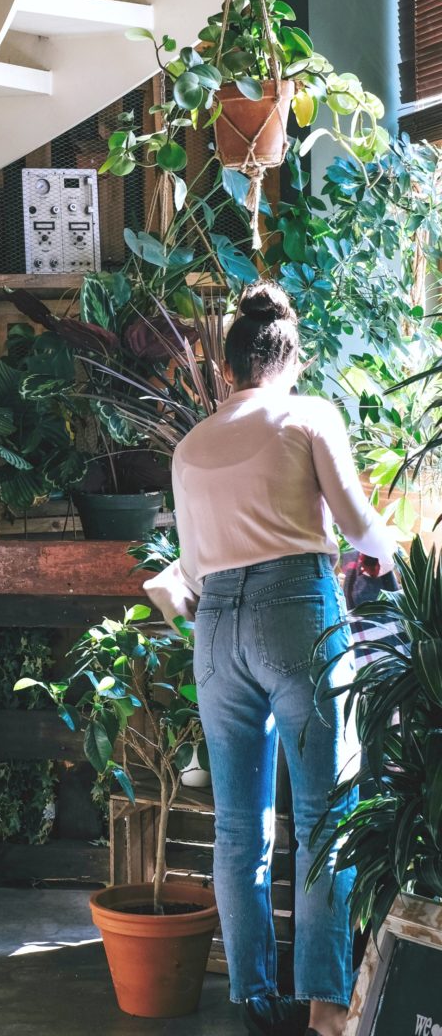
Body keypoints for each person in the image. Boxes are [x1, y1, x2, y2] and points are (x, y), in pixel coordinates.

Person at [171, 281, 396, 1036]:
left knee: (238, 827)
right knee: (326, 815)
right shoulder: (308, 415)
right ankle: (328, 1007)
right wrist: (394, 548)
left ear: (229, 366)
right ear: (290, 360)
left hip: (216, 630)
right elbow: (361, 529)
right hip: (294, 610)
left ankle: (254, 1002)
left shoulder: (191, 445)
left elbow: (195, 568)